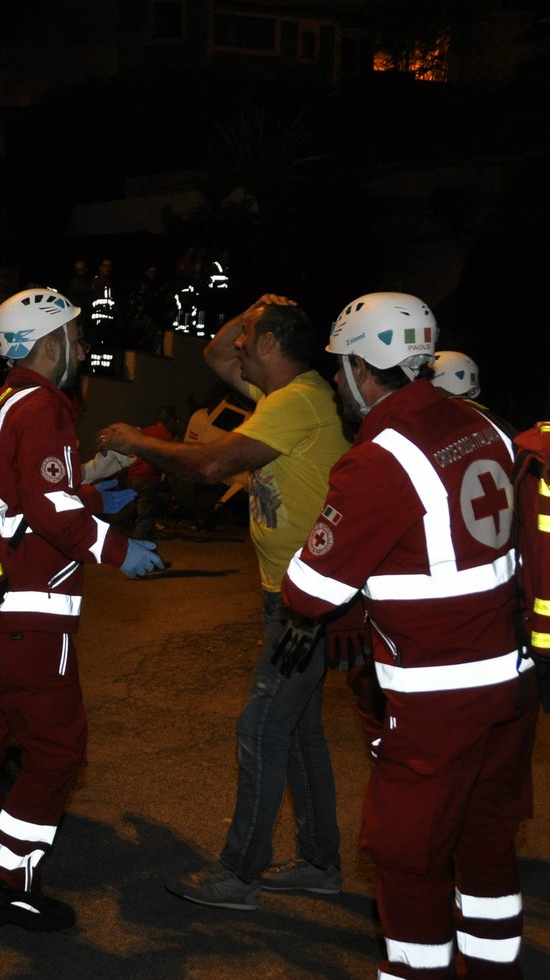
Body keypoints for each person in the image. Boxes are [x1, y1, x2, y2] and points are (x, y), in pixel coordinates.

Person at [280, 292, 537, 980]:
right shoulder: (482, 422)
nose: (335, 382)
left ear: (363, 366)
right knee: (488, 855)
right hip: (513, 687)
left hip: (433, 702)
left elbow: (309, 591)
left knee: (409, 867)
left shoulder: (379, 458)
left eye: (338, 368)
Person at [97, 293, 351, 910]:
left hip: (306, 607)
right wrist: (257, 307)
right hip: (293, 597)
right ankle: (320, 863)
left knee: (261, 729)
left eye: (250, 336)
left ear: (271, 347)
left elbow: (211, 464)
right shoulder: (283, 396)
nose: (236, 344)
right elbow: (214, 351)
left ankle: (240, 875)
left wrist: (135, 441)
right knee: (298, 735)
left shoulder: (297, 402)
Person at [0, 288, 161, 933]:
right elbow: (48, 506)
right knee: (57, 751)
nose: (82, 350)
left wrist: (93, 493)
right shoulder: (44, 405)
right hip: (28, 611)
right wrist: (117, 549)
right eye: (76, 338)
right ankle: (7, 885)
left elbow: (24, 494)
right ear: (49, 342)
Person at [119, 405, 177, 541]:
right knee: (145, 517)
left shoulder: (144, 431)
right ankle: (138, 547)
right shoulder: (166, 436)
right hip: (148, 479)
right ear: (170, 421)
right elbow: (168, 461)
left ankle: (144, 545)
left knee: (134, 513)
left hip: (132, 476)